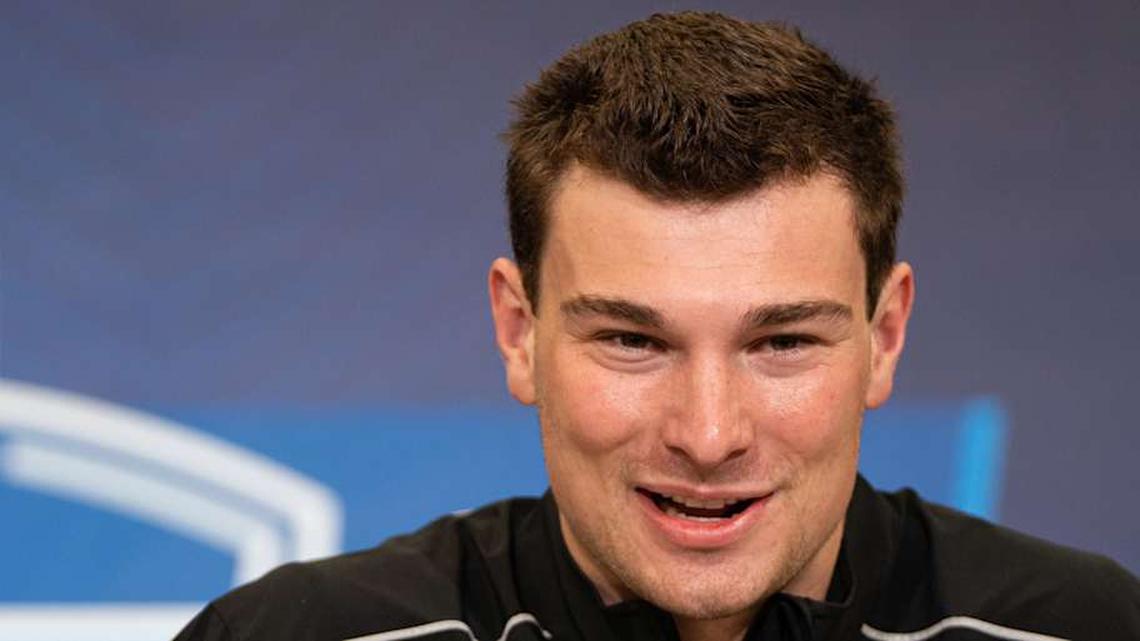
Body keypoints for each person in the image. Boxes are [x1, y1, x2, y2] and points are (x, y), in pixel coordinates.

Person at [175, 11, 1140, 641]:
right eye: (633, 340)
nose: (709, 433)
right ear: (520, 332)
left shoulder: (1084, 627)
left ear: (884, 336)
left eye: (783, 342)